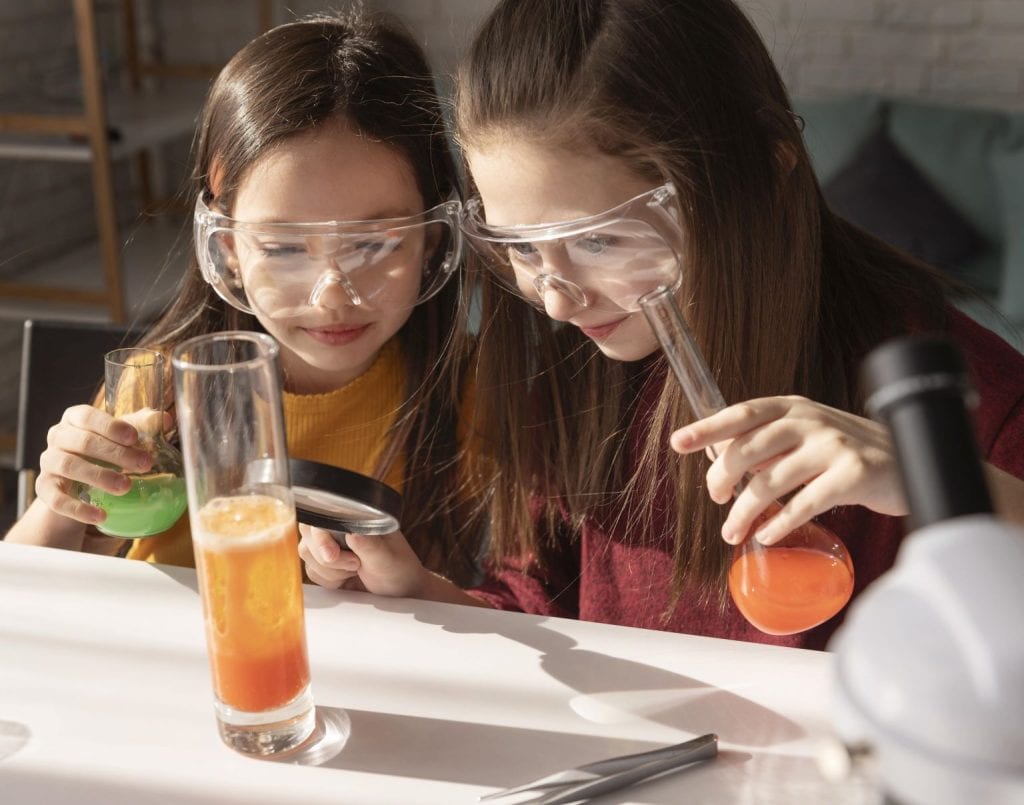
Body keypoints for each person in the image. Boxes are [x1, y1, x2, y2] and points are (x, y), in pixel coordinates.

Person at [299, 0, 1024, 649]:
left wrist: (939, 478)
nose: (555, 301)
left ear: (764, 181)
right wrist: (419, 591)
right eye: (520, 246)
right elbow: (539, 610)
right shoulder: (574, 377)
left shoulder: (970, 399)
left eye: (600, 240)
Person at [6, 11, 485, 587]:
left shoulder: (474, 396)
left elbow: (528, 620)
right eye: (282, 248)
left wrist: (413, 593)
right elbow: (27, 597)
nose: (331, 295)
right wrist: (60, 507)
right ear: (228, 247)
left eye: (373, 244)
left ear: (433, 236)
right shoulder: (156, 392)